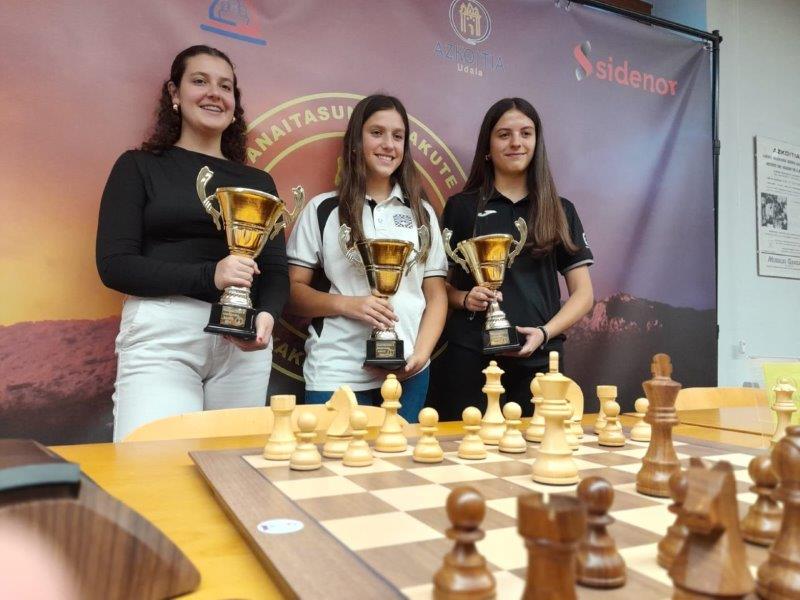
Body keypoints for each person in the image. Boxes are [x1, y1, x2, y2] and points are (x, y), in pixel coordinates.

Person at [96, 45, 288, 442]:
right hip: (164, 335)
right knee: (152, 464)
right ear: (174, 93)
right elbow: (115, 264)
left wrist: (267, 316)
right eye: (200, 81)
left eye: (225, 86)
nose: (214, 93)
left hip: (243, 345)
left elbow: (275, 270)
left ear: (235, 103)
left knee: (234, 466)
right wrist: (210, 275)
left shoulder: (259, 182)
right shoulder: (138, 166)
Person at [286, 94, 448, 423]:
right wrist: (350, 305)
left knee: (399, 458)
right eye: (377, 133)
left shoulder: (422, 213)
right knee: (335, 456)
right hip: (337, 370)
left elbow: (436, 295)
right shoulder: (322, 209)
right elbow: (293, 293)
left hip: (408, 372)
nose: (388, 144)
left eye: (398, 136)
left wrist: (421, 354)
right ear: (356, 142)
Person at [432, 97, 594, 421]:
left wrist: (544, 333)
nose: (516, 142)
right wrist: (465, 298)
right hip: (470, 358)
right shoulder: (461, 207)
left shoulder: (560, 210)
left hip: (541, 359)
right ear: (488, 147)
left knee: (539, 449)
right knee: (467, 449)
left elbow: (584, 294)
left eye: (526, 133)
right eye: (504, 134)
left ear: (537, 143)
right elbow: (437, 289)